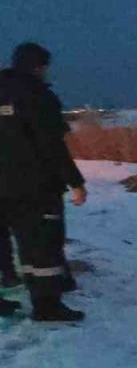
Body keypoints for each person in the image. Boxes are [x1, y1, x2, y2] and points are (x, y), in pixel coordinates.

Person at [0, 42, 87, 321]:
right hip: (34, 186)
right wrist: (75, 182)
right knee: (41, 244)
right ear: (39, 66)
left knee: (11, 244)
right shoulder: (37, 95)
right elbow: (51, 145)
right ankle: (47, 304)